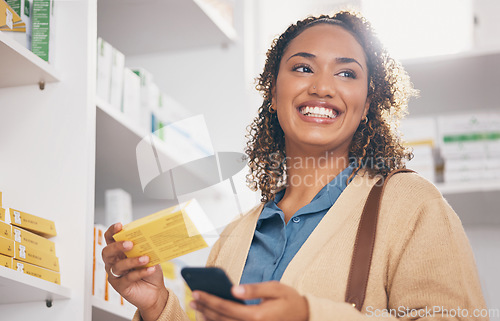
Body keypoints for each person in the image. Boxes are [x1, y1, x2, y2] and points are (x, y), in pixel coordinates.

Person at [102, 10, 489, 321]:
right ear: (273, 92)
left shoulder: (410, 203)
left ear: (368, 103)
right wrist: (157, 306)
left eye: (346, 73)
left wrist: (308, 314)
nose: (321, 86)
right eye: (303, 68)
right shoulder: (237, 235)